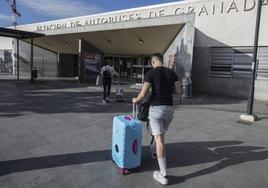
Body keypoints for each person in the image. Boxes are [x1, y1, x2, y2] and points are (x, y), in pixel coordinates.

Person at [132, 53, 181, 185]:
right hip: (169, 109)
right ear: (162, 60)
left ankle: (163, 175)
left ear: (153, 62)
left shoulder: (151, 73)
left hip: (156, 109)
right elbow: (179, 92)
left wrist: (135, 99)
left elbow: (143, 94)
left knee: (159, 139)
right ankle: (154, 152)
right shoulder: (172, 73)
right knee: (161, 137)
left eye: (152, 63)